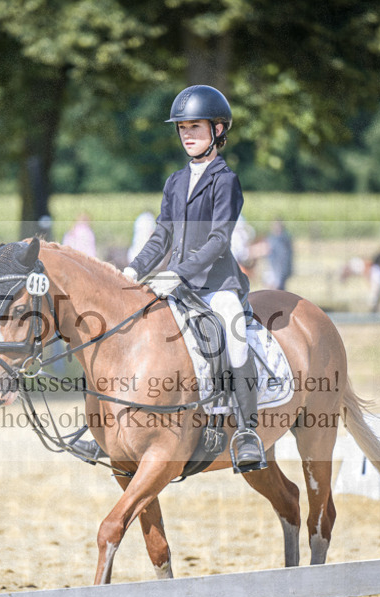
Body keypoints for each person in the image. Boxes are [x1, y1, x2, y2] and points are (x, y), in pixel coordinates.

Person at [122, 84, 265, 473]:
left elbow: (219, 240)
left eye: (195, 127)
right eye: (182, 128)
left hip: (217, 287)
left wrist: (177, 273)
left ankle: (247, 433)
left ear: (218, 130)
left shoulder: (225, 180)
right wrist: (134, 269)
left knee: (235, 339)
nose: (187, 134)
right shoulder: (174, 181)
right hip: (176, 284)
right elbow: (162, 236)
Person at [262, 219, 294, 291]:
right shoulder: (272, 238)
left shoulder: (283, 240)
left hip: (279, 271)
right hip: (274, 270)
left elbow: (284, 258)